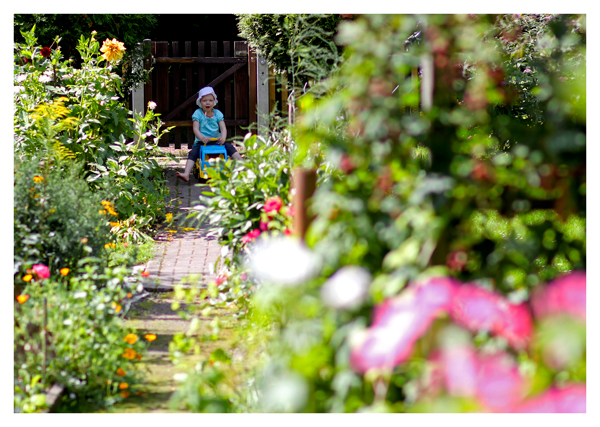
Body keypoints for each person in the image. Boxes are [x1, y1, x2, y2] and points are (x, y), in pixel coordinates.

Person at [176, 86, 242, 182]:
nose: (207, 103)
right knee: (193, 153)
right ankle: (186, 174)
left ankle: (243, 166)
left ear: (214, 102)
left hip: (217, 142)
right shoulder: (198, 114)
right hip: (202, 142)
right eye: (204, 100)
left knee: (230, 148)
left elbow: (223, 128)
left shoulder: (218, 114)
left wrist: (223, 137)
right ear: (200, 102)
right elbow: (195, 129)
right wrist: (202, 138)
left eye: (210, 100)